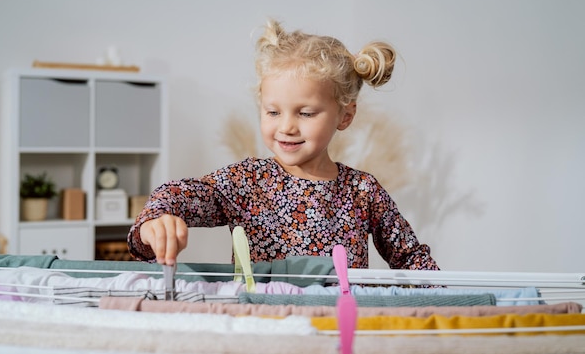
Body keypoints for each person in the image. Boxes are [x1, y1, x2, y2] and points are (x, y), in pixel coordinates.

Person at [127, 19, 439, 272]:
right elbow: (178, 195)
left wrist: (454, 302)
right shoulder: (247, 182)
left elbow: (411, 257)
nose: (287, 126)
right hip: (262, 331)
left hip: (336, 334)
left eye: (305, 113)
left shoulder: (363, 191)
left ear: (345, 115)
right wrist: (154, 222)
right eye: (273, 112)